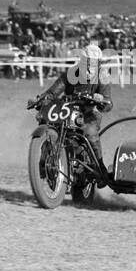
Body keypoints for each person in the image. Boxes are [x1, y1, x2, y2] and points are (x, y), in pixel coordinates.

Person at [27, 42, 113, 173]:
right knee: (47, 121)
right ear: (82, 60)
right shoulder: (71, 73)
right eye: (87, 61)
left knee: (90, 132)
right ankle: (44, 157)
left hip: (89, 112)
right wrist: (41, 99)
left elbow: (108, 102)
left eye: (93, 62)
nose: (90, 64)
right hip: (68, 109)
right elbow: (53, 92)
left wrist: (101, 99)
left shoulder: (103, 76)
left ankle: (99, 168)